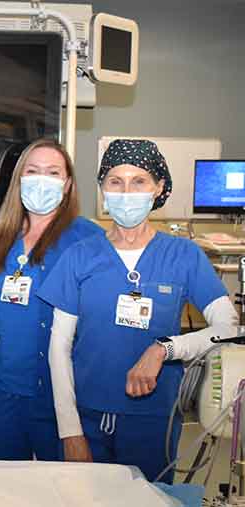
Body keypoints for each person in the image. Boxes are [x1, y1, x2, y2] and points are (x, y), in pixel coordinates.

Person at [38, 139, 238, 483]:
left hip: (154, 419)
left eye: (139, 181)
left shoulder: (184, 256)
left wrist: (166, 348)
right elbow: (58, 348)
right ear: (102, 188)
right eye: (115, 181)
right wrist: (70, 431)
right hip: (86, 416)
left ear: (159, 187)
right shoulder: (80, 256)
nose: (126, 192)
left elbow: (229, 327)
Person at [0, 139, 102, 461]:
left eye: (53, 172)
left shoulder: (88, 241)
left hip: (59, 397)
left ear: (67, 184)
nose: (42, 179)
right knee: (1, 490)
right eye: (33, 171)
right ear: (19, 179)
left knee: (62, 491)